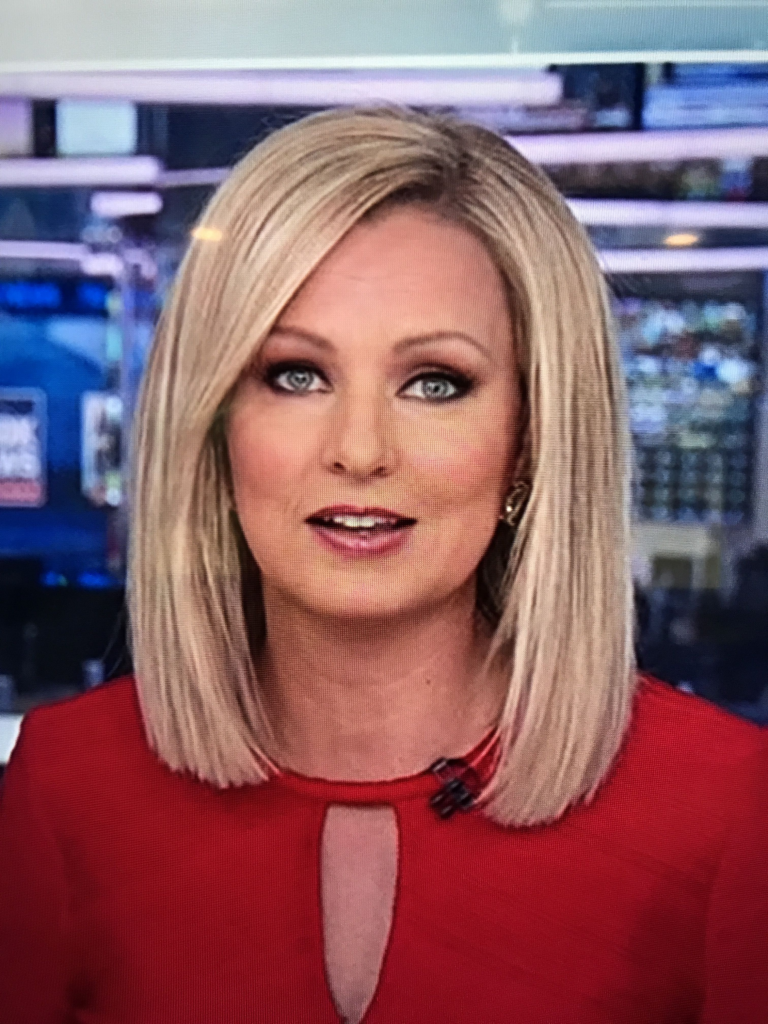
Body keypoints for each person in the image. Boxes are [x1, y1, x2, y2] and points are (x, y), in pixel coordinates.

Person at [0, 105, 766, 1024]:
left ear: (531, 440)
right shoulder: (67, 788)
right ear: (216, 429)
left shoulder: (726, 808)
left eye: (435, 383)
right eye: (295, 375)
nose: (360, 450)